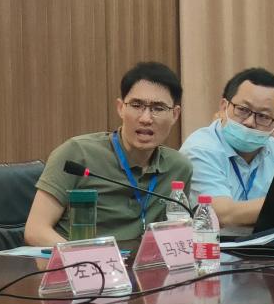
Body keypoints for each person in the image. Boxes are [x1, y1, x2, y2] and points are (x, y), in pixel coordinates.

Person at [24, 62, 193, 248]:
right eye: (136, 105)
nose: (146, 118)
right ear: (120, 108)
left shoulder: (179, 168)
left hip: (142, 264)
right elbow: (36, 230)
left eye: (158, 108)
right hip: (81, 262)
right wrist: (86, 256)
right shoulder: (77, 154)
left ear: (175, 115)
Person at [180, 68, 274, 228]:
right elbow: (221, 215)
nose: (250, 122)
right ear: (223, 107)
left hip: (266, 243)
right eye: (243, 110)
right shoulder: (200, 149)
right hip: (213, 243)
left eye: (263, 116)